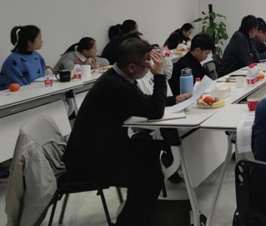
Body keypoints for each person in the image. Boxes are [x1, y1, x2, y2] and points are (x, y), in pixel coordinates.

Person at [62, 37, 192, 226]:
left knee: (150, 150)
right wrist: (159, 75)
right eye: (147, 63)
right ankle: (130, 219)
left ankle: (141, 213)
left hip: (104, 146)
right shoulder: (117, 86)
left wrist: (174, 100)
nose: (149, 67)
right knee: (148, 177)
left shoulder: (117, 77)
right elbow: (155, 111)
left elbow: (144, 102)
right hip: (89, 159)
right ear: (132, 67)